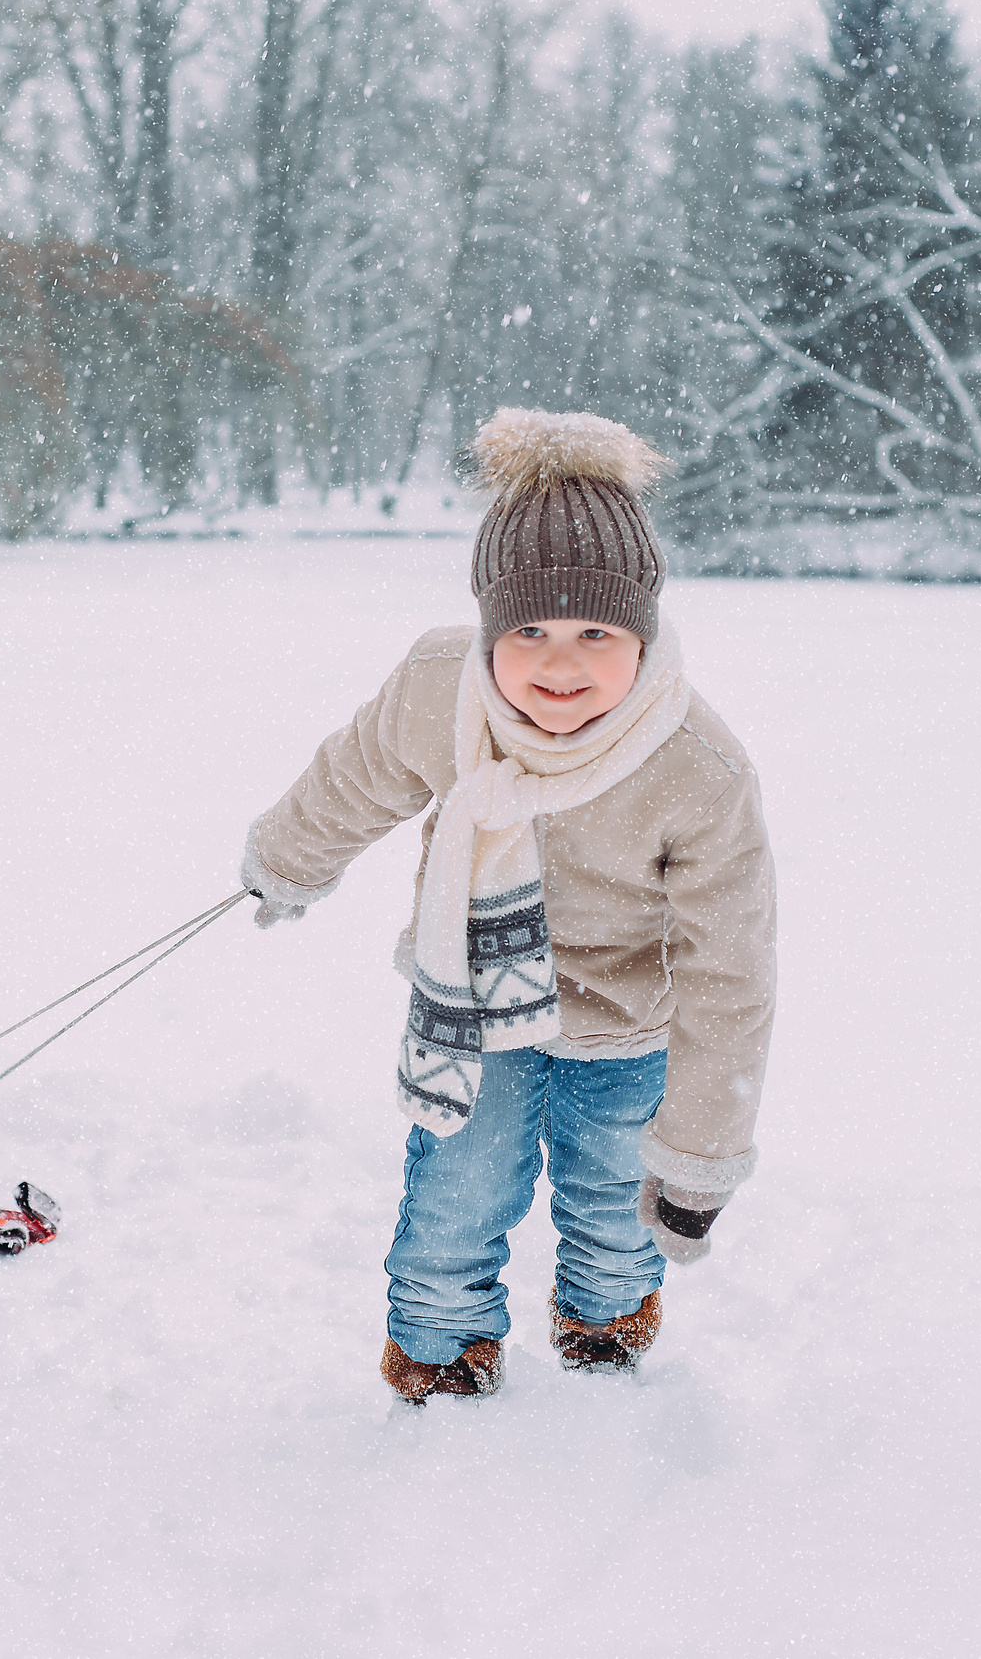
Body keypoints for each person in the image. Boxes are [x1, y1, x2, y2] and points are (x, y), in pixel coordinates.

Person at [240, 409, 776, 1402]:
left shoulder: (697, 767)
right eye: (528, 630)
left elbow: (729, 969)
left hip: (626, 1023)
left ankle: (605, 1330)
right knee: (457, 1189)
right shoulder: (440, 691)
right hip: (474, 998)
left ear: (643, 634)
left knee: (615, 1201)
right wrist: (285, 860)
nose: (560, 665)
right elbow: (354, 778)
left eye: (595, 633)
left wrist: (702, 1152)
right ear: (490, 628)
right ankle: (441, 1351)